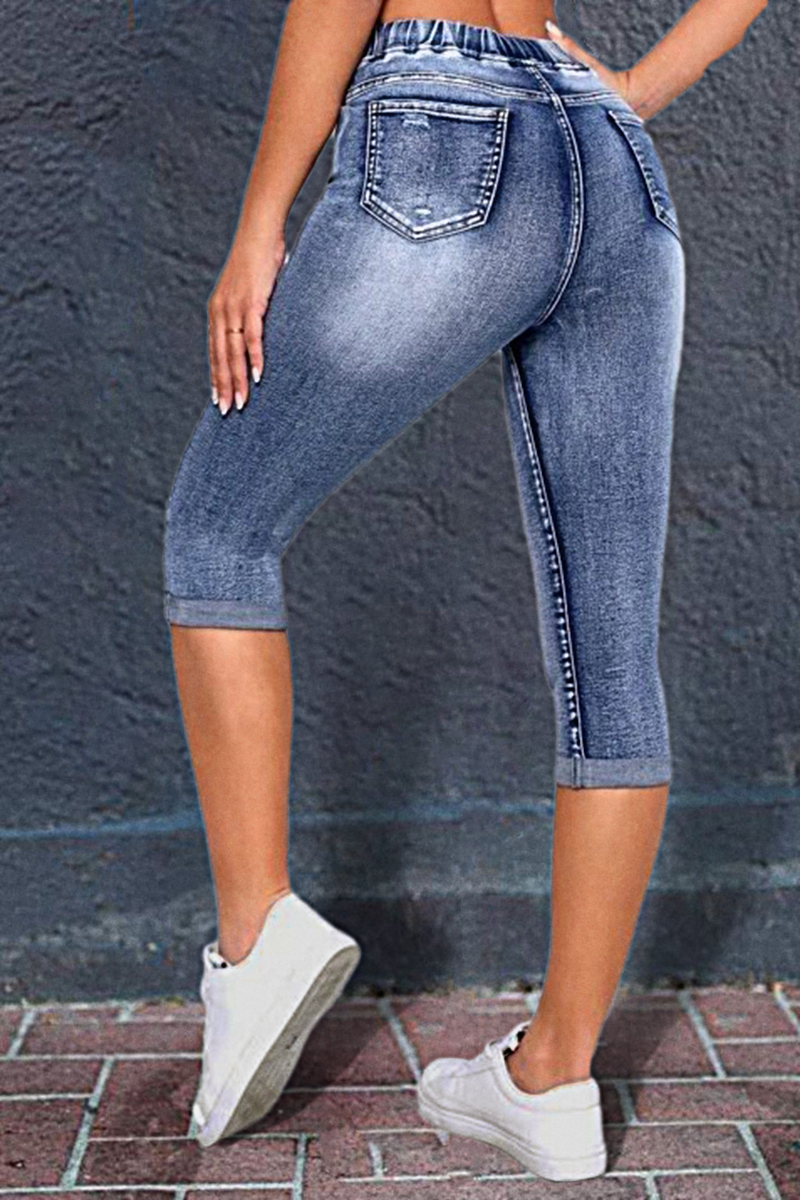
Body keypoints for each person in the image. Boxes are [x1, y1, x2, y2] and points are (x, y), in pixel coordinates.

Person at [162, 0, 768, 1178]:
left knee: (216, 530)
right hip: (606, 158)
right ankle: (553, 1078)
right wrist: (633, 90)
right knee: (610, 654)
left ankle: (257, 939)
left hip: (440, 135)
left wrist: (260, 218)